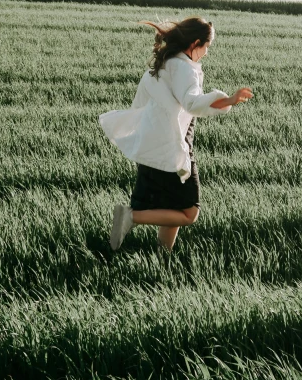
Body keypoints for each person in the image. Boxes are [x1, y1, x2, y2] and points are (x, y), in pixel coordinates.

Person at [99, 17, 253, 253]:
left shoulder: (165, 62)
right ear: (196, 43)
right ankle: (131, 217)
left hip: (156, 142)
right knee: (190, 212)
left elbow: (141, 101)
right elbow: (192, 102)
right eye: (207, 48)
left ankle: (163, 255)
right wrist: (229, 99)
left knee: (174, 205)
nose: (206, 53)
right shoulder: (184, 68)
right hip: (173, 143)